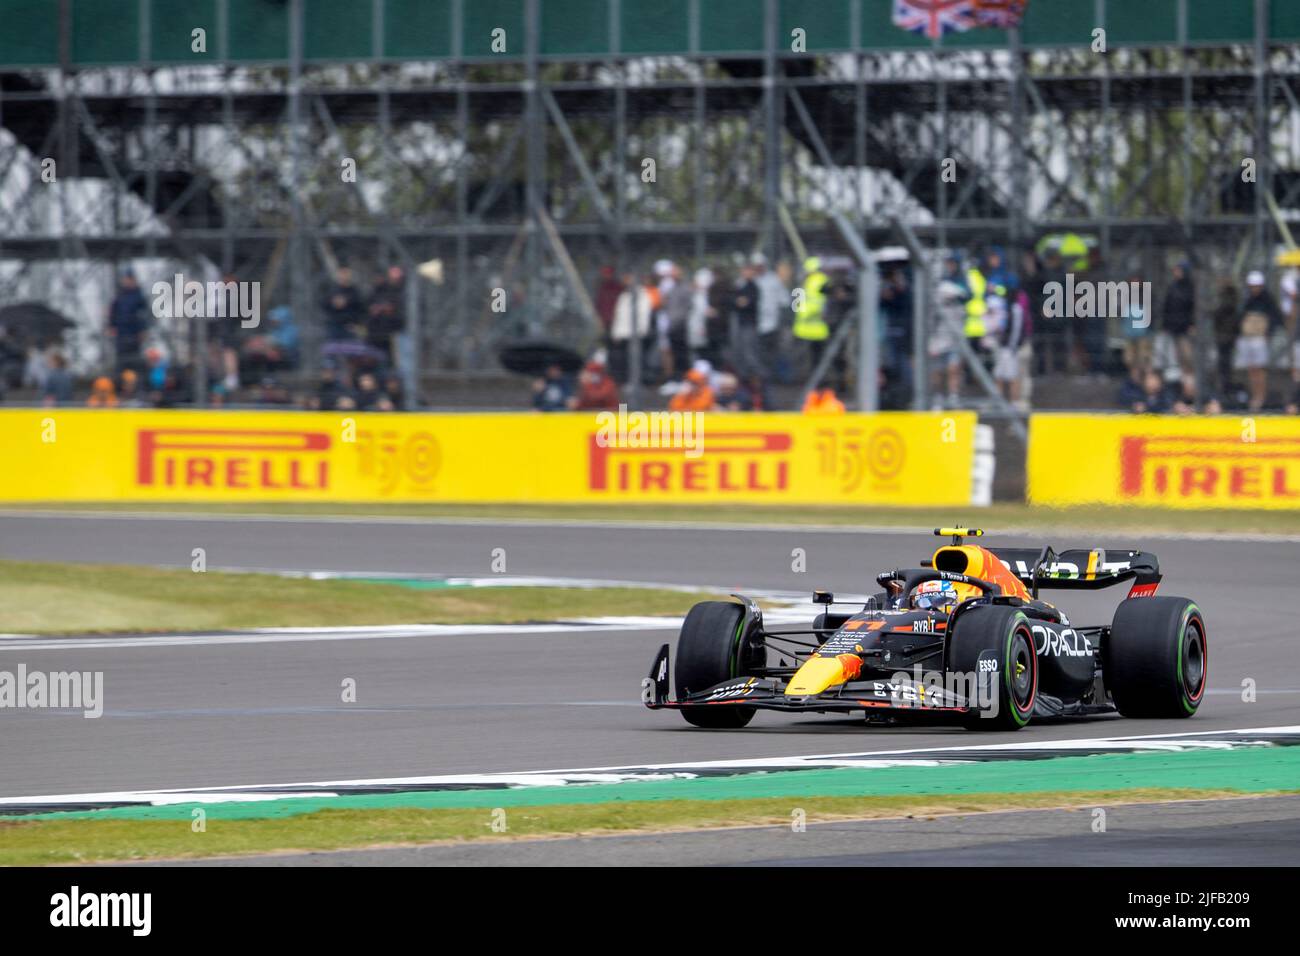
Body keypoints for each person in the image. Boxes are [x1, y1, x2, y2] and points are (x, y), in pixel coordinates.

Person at [1235, 271, 1283, 412]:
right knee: (1251, 369)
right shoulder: (1248, 299)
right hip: (1248, 338)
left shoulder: (1267, 300)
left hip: (1260, 339)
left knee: (1260, 369)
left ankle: (1260, 397)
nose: (1254, 288)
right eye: (1252, 286)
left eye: (1256, 286)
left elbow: (1275, 318)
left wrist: (1268, 333)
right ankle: (1254, 396)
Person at [609, 272, 653, 384]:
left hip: (636, 335)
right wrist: (615, 333)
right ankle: (625, 383)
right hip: (623, 335)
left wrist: (641, 331)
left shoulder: (642, 295)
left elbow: (644, 315)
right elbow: (618, 315)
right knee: (623, 360)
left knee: (637, 360)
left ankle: (638, 383)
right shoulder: (623, 296)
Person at [106, 270, 148, 373]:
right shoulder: (120, 296)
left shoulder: (139, 297)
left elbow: (144, 315)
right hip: (121, 334)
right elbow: (113, 312)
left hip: (134, 334)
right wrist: (111, 326)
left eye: (129, 279)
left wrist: (143, 330)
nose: (127, 282)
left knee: (135, 361)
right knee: (121, 362)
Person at [1161, 261, 1196, 383]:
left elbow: (1194, 307)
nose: (1176, 273)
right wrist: (1166, 324)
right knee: (1179, 357)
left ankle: (1192, 381)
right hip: (1174, 327)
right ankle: (1184, 381)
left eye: (1178, 270)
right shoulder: (1172, 287)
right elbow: (1167, 307)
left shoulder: (1191, 287)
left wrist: (1193, 324)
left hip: (1186, 328)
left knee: (1189, 356)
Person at [793, 257, 829, 372]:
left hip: (812, 326)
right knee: (813, 357)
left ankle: (815, 379)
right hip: (808, 327)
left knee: (815, 357)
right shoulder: (807, 281)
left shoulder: (818, 280)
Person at [730, 263, 764, 379]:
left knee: (749, 351)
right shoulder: (740, 286)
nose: (746, 273)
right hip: (741, 323)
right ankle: (744, 375)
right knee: (740, 350)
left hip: (749, 323)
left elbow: (747, 303)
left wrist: (742, 302)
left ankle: (757, 375)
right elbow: (734, 302)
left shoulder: (753, 287)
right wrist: (739, 302)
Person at [322, 265, 364, 343]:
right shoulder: (332, 290)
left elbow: (361, 306)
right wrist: (333, 303)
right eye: (342, 273)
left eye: (346, 273)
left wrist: (347, 301)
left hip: (350, 326)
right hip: (334, 326)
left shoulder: (354, 291)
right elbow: (324, 304)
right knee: (332, 351)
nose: (344, 276)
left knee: (351, 351)